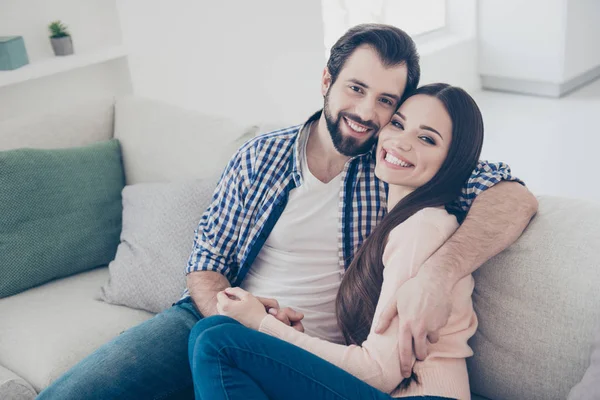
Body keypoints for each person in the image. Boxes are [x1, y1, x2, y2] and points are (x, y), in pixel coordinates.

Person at [38, 24, 537, 400]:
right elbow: (206, 262)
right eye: (355, 89)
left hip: (315, 351)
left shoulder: (394, 165)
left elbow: (513, 196)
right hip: (223, 318)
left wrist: (438, 272)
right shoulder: (261, 156)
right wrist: (241, 316)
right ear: (327, 80)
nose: (366, 113)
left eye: (386, 101)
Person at [188, 82, 482, 400]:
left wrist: (263, 324)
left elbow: (379, 373)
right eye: (397, 124)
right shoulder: (399, 219)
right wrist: (284, 334)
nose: (401, 142)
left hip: (421, 395)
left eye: (426, 138)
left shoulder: (421, 228)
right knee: (208, 332)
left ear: (453, 161)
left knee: (218, 343)